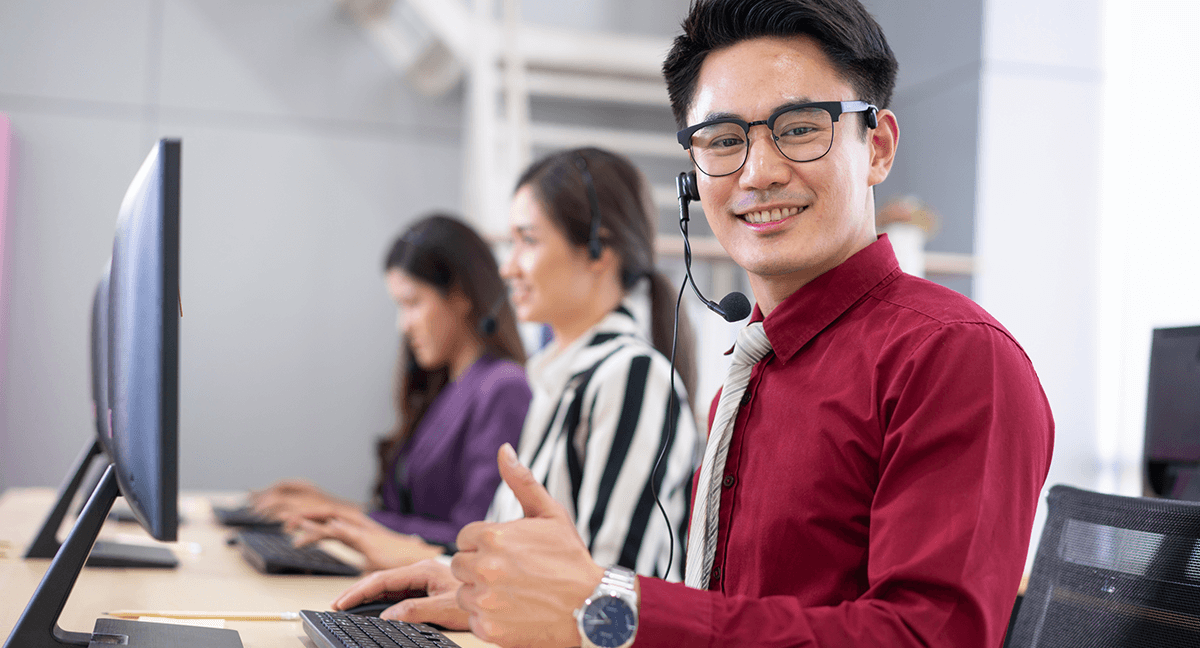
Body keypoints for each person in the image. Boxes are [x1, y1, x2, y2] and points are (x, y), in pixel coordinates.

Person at [331, 1, 1056, 647]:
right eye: (722, 139)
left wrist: (604, 608)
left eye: (800, 128)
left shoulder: (953, 359)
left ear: (879, 146)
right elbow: (728, 617)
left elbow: (928, 638)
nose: (758, 171)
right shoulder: (753, 371)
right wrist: (514, 595)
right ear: (692, 174)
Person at [301, 147, 701, 581]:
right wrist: (418, 565)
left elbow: (614, 599)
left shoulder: (630, 377)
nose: (508, 268)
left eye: (527, 241)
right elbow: (508, 564)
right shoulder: (555, 380)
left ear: (597, 251)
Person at [250, 214, 531, 568]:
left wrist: (346, 516)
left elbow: (473, 536)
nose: (404, 325)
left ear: (460, 296)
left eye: (412, 303)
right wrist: (341, 512)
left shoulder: (503, 387)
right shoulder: (445, 387)